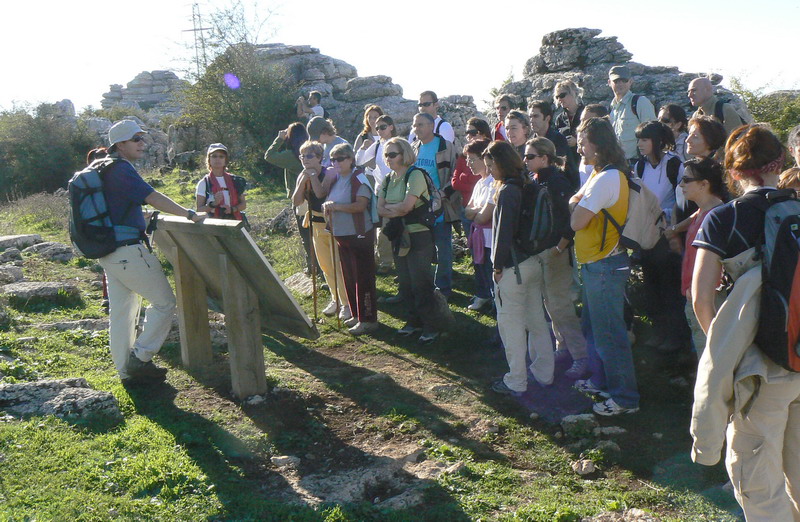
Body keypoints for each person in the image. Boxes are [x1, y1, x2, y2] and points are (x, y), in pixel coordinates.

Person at [690, 125, 800, 520]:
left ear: (733, 172)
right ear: (780, 163)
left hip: (759, 369)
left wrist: (727, 348)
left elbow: (700, 297)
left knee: (758, 481)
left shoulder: (723, 218)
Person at [101, 120, 205, 384]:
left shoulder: (102, 168)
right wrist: (189, 213)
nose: (142, 143)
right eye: (136, 139)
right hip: (127, 251)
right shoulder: (121, 168)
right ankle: (141, 357)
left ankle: (126, 372)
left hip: (109, 251)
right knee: (165, 302)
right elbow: (152, 196)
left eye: (141, 138)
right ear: (120, 144)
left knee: (122, 312)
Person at [570, 117, 639, 416]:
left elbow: (576, 221)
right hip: (596, 265)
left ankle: (625, 399)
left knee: (610, 333)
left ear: (597, 144)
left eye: (583, 143)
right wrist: (579, 201)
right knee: (595, 329)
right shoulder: (601, 174)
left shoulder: (608, 178)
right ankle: (602, 382)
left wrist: (577, 204)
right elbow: (577, 201)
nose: (579, 149)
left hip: (605, 265)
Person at [488, 140, 554, 395]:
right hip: (533, 262)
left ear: (501, 163)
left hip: (512, 268)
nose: (490, 170)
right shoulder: (529, 184)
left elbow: (503, 232)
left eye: (491, 165)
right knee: (537, 320)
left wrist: (497, 267)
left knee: (510, 324)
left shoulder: (507, 191)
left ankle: (516, 380)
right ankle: (545, 374)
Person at [524, 137, 587, 379]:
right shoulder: (536, 179)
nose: (526, 160)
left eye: (530, 156)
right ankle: (563, 347)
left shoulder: (557, 182)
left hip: (556, 252)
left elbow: (570, 219)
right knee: (550, 304)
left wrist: (560, 248)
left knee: (561, 305)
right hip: (543, 251)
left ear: (545, 158)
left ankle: (581, 356)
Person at [378, 137, 441, 344]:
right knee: (405, 282)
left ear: (404, 155)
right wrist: (398, 209)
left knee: (420, 282)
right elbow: (379, 209)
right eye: (386, 155)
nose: (388, 159)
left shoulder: (415, 175)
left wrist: (393, 208)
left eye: (392, 154)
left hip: (418, 235)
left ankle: (431, 326)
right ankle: (413, 322)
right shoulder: (388, 179)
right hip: (399, 235)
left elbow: (405, 207)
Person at [666, 158, 724, 356]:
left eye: (686, 179)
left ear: (704, 184)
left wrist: (699, 290)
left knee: (709, 356)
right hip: (695, 295)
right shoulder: (703, 211)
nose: (680, 184)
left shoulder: (717, 217)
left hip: (708, 300)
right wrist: (674, 229)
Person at [322, 143, 379, 335]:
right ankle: (356, 314)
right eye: (333, 159)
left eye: (340, 158)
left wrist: (335, 207)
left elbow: (360, 205)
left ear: (350, 159)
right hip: (342, 235)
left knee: (363, 278)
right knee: (349, 277)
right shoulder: (337, 179)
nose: (336, 162)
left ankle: (368, 319)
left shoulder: (359, 178)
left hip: (359, 234)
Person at [292, 141, 349, 321]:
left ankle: (346, 303)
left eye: (309, 156)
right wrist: (302, 180)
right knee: (325, 265)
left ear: (319, 157)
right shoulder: (303, 175)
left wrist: (312, 177)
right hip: (315, 224)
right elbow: (296, 201)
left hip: (331, 223)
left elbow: (320, 194)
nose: (305, 159)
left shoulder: (329, 172)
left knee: (337, 264)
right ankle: (335, 298)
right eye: (302, 156)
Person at [410, 112, 458, 298]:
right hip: (418, 207)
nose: (417, 128)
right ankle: (425, 287)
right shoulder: (413, 147)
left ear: (431, 126)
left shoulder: (446, 147)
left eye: (421, 124)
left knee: (443, 248)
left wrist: (443, 194)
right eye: (415, 125)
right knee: (422, 249)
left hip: (440, 206)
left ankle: (443, 289)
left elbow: (456, 174)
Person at [264, 123, 315, 273]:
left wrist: (279, 139)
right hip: (315, 196)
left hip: (300, 199)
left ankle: (312, 267)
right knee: (316, 233)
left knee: (306, 234)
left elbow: (269, 156)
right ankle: (319, 266)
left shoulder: (291, 155)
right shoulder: (310, 152)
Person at [356, 114, 397, 274]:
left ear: (391, 127)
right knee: (381, 226)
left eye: (383, 127)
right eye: (377, 128)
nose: (379, 130)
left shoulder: (398, 143)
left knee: (392, 226)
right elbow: (359, 161)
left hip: (396, 189)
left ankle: (389, 262)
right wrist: (363, 147)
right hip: (380, 191)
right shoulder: (377, 145)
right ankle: (385, 261)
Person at [463, 139, 494, 311]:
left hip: (490, 237)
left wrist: (477, 211)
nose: (469, 164)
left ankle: (494, 299)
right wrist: (478, 211)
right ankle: (483, 295)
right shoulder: (479, 183)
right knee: (479, 268)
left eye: (472, 159)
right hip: (478, 237)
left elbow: (483, 217)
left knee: (490, 269)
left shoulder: (493, 182)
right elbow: (468, 211)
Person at [608, 65, 656, 163]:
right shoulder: (611, 108)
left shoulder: (640, 102)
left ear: (630, 82)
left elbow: (653, 134)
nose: (620, 84)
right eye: (616, 81)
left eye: (624, 80)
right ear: (609, 83)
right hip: (618, 163)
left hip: (638, 162)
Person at [452, 117, 492, 232]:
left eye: (473, 132)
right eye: (467, 133)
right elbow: (455, 183)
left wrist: (465, 180)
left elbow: (482, 218)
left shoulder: (493, 180)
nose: (469, 136)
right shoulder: (463, 156)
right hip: (466, 204)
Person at [196, 143, 246, 220]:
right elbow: (199, 210)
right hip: (214, 225)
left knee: (245, 233)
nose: (217, 159)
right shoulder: (204, 183)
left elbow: (243, 205)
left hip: (236, 222)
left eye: (221, 156)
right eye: (214, 156)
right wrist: (213, 204)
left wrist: (232, 209)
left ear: (225, 160)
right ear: (209, 160)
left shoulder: (236, 180)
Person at [554, 80, 585, 189]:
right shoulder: (559, 119)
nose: (559, 99)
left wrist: (577, 142)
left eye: (562, 95)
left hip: (585, 163)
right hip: (567, 167)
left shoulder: (586, 113)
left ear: (573, 93)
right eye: (557, 97)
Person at [577, 104, 609, 187]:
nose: (581, 125)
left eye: (586, 121)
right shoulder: (585, 151)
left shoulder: (606, 157)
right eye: (581, 121)